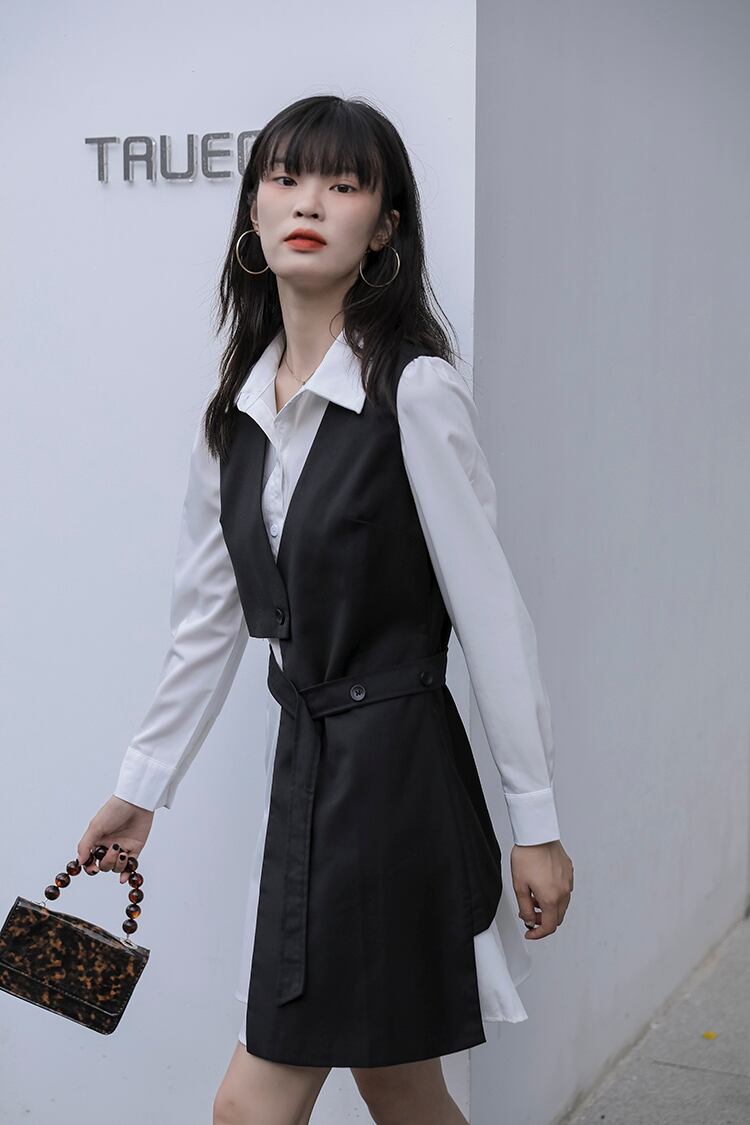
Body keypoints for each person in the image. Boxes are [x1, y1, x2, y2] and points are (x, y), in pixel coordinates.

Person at [77, 94, 574, 1125]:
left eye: (343, 185)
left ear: (384, 228)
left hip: (394, 780)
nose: (309, 202)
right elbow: (207, 626)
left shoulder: (414, 392)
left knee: (256, 1106)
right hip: (307, 776)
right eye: (286, 178)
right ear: (254, 212)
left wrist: (535, 824)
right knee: (400, 1086)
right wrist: (140, 790)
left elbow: (493, 621)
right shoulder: (234, 419)